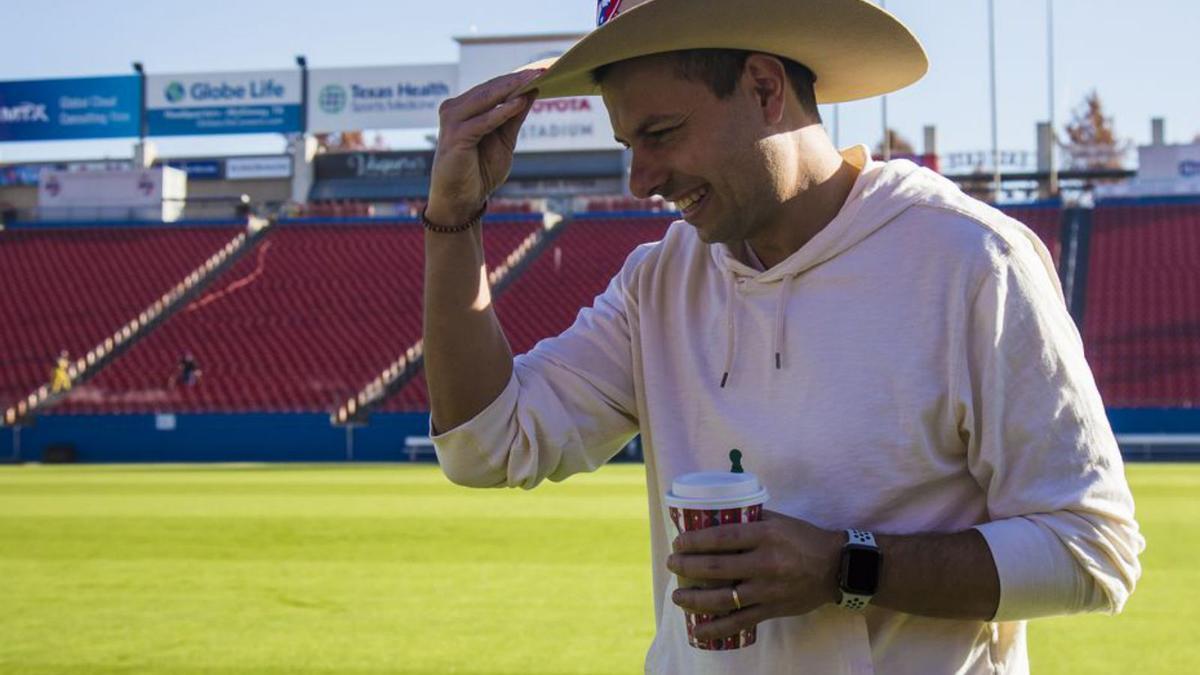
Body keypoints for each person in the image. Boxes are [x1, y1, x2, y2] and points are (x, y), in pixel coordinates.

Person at [422, 1, 1144, 673]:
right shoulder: (658, 283)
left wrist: (844, 566)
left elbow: (1092, 550)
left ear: (765, 88)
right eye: (627, 143)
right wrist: (453, 221)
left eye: (662, 134)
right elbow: (486, 443)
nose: (640, 180)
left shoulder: (971, 261)